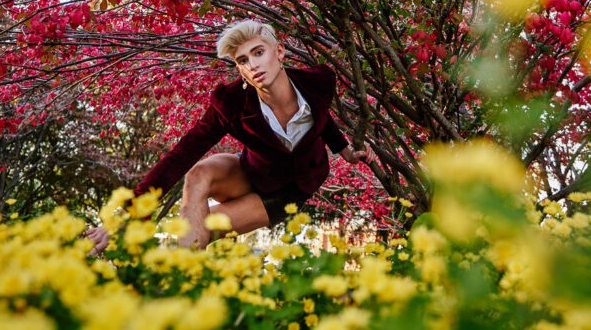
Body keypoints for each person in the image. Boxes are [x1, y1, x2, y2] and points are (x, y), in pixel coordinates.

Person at [85, 19, 375, 250]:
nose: (253, 65)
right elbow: (182, 154)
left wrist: (345, 152)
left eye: (258, 52)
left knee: (205, 227)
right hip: (252, 171)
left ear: (280, 52)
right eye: (243, 60)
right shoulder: (231, 102)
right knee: (197, 174)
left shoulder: (318, 83)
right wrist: (127, 213)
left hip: (291, 189)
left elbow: (322, 120)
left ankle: (176, 267)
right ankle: (171, 275)